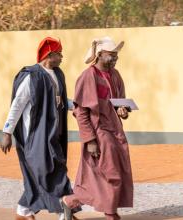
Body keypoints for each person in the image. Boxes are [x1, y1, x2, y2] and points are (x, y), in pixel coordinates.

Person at [0, 37, 76, 220]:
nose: (62, 57)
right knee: (51, 172)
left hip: (54, 133)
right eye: (59, 54)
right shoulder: (31, 76)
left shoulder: (58, 74)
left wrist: (78, 106)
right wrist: (7, 132)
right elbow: (17, 106)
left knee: (44, 173)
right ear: (49, 55)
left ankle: (23, 211)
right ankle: (63, 212)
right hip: (35, 136)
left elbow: (58, 101)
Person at [61, 37, 133, 220]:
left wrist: (123, 111)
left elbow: (119, 103)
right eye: (111, 55)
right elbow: (81, 111)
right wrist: (90, 140)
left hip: (115, 130)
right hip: (98, 131)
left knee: (105, 174)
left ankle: (71, 201)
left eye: (116, 55)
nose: (115, 58)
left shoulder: (115, 75)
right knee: (111, 172)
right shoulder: (88, 76)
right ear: (100, 55)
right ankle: (110, 213)